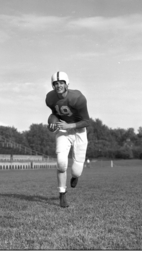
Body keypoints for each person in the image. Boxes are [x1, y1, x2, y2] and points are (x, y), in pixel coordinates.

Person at [45, 71, 90, 208]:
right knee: (61, 162)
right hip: (63, 130)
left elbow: (87, 121)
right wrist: (52, 122)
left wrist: (69, 125)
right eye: (56, 83)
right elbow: (54, 114)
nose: (58, 85)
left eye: (61, 83)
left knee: (76, 170)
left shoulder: (78, 98)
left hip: (79, 131)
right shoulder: (50, 98)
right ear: (53, 85)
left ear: (67, 84)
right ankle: (62, 193)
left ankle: (75, 176)